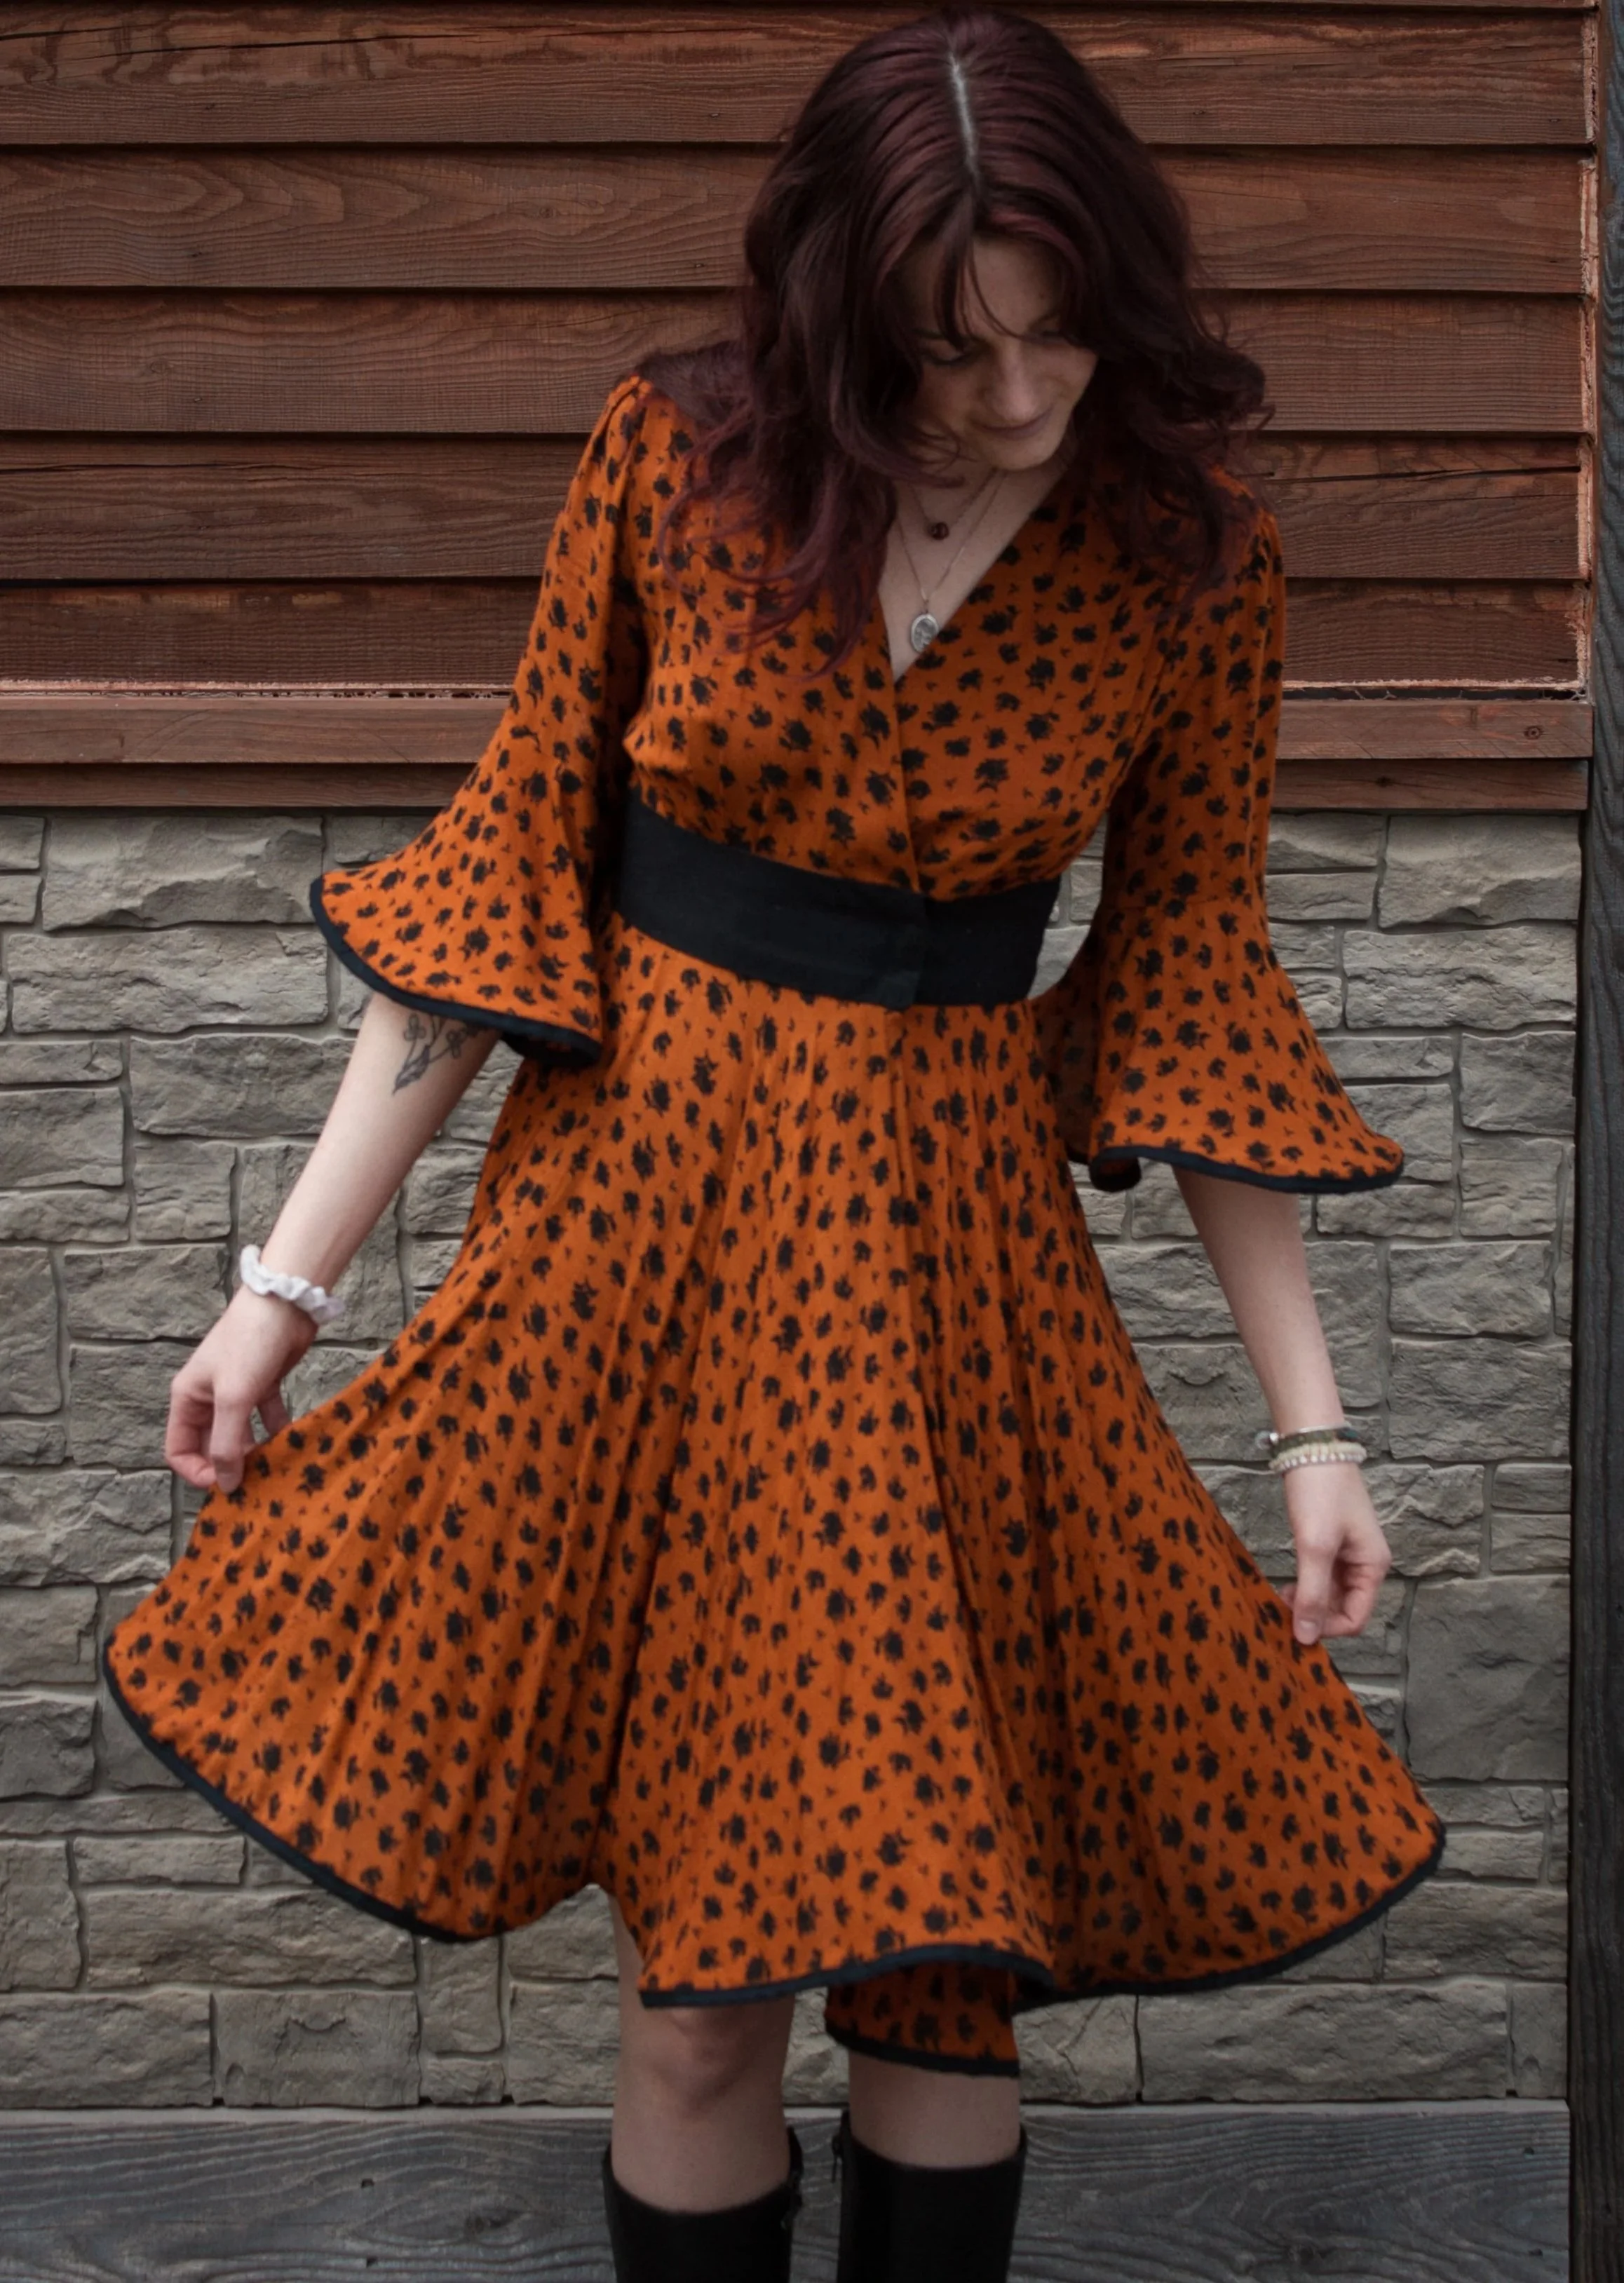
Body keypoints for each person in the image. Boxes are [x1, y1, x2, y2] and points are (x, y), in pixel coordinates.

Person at [103, 8, 1445, 2278]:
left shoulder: (1190, 561)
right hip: (632, 1270)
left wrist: (1311, 1434)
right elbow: (503, 877)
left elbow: (1193, 990)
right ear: (830, 315)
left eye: (1060, 338)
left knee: (939, 1987)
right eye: (951, 354)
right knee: (704, 2006)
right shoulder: (676, 462)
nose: (1020, 401)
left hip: (949, 1295)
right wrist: (285, 1289)